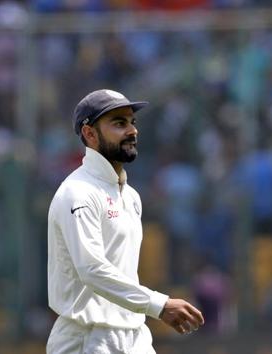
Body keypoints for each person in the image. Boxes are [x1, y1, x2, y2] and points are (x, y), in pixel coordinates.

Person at [46, 89, 205, 353]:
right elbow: (92, 269)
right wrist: (160, 305)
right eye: (119, 123)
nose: (132, 131)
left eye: (132, 122)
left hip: (134, 333)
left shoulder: (130, 196)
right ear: (89, 134)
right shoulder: (77, 193)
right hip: (88, 337)